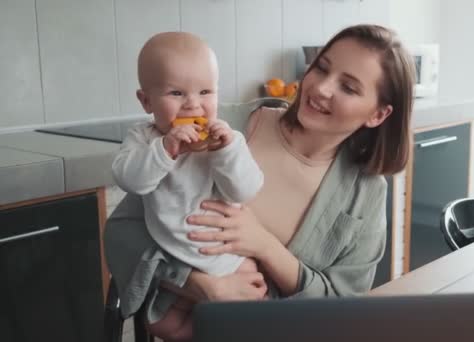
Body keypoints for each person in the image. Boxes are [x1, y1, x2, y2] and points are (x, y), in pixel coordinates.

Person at [104, 24, 416, 341]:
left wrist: (264, 245)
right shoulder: (216, 129)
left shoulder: (366, 193)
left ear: (377, 114)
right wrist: (200, 284)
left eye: (348, 88)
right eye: (321, 68)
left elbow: (344, 308)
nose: (321, 88)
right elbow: (122, 233)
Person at [111, 31, 264, 340]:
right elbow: (130, 179)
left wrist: (227, 151)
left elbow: (246, 190)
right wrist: (165, 150)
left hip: (228, 258)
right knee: (161, 325)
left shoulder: (227, 140)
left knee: (249, 302)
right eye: (176, 93)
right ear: (146, 101)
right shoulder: (145, 140)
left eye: (206, 92)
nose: (193, 105)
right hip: (176, 260)